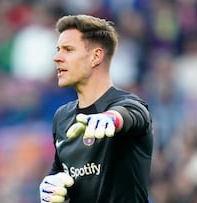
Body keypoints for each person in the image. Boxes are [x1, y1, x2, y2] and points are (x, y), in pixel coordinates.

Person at [39, 14, 153, 203]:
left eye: (68, 50)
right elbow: (61, 170)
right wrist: (50, 187)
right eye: (58, 49)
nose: (57, 57)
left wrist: (111, 118)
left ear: (96, 56)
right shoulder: (62, 117)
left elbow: (133, 114)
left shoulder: (129, 104)